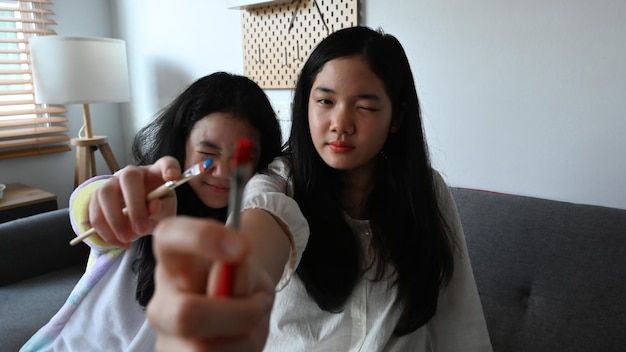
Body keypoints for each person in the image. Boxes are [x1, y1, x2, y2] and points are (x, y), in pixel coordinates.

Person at [144, 26, 493, 351]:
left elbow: (460, 322)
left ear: (397, 117)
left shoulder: (427, 191)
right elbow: (261, 229)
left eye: (366, 106)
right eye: (325, 101)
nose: (340, 124)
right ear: (305, 105)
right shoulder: (279, 180)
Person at [20, 72, 283, 351]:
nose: (222, 172)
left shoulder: (254, 219)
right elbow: (88, 207)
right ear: (182, 146)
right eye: (208, 153)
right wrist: (105, 202)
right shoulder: (146, 198)